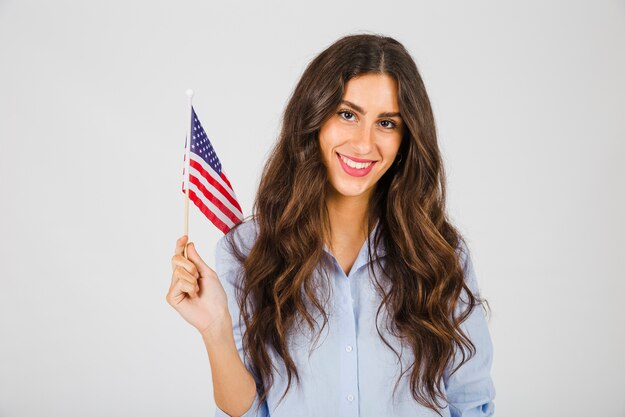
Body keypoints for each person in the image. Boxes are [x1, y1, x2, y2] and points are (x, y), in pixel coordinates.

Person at [167, 33, 496, 417]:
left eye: (387, 123)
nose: (363, 143)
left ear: (407, 138)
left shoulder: (441, 254)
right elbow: (250, 410)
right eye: (347, 114)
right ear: (314, 117)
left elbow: (471, 402)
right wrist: (215, 327)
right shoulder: (247, 250)